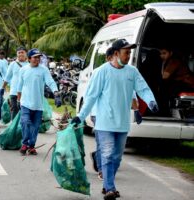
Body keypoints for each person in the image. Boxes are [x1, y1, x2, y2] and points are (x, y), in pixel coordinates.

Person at [71, 39, 158, 200]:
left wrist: (151, 101)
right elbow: (90, 97)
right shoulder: (101, 72)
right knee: (107, 153)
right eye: (126, 52)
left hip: (122, 124)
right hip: (104, 123)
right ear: (116, 53)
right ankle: (109, 187)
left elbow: (142, 88)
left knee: (117, 157)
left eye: (130, 52)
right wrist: (80, 116)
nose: (129, 55)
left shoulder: (132, 72)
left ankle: (108, 184)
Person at [90, 47, 142, 182]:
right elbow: (91, 95)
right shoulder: (99, 72)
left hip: (115, 117)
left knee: (112, 149)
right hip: (98, 113)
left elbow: (132, 94)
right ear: (110, 58)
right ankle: (102, 170)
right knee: (103, 146)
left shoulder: (127, 74)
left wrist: (136, 111)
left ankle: (102, 163)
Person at [17, 48, 61, 155]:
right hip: (25, 103)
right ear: (29, 59)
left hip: (38, 105)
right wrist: (18, 100)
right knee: (25, 123)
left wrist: (56, 93)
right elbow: (19, 86)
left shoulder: (43, 70)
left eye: (38, 57)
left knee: (35, 127)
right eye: (35, 57)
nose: (37, 59)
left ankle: (31, 146)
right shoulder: (23, 70)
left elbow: (50, 82)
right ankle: (25, 143)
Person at [2, 46, 29, 120]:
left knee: (24, 110)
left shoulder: (29, 65)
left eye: (22, 52)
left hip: (26, 92)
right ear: (17, 54)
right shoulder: (13, 64)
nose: (21, 54)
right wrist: (2, 88)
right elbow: (7, 77)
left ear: (26, 54)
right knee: (14, 108)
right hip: (14, 91)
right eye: (19, 53)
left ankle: (22, 126)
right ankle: (13, 126)